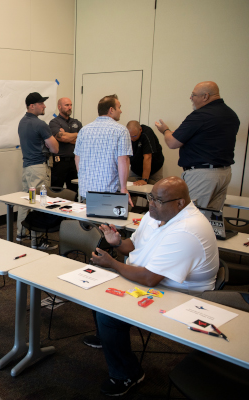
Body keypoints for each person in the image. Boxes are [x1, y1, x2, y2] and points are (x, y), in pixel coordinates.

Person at [87, 177, 218, 396]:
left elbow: (149, 279)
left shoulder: (187, 229)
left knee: (109, 315)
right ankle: (108, 338)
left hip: (184, 293)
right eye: (151, 197)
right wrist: (117, 242)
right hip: (153, 278)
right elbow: (134, 246)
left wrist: (112, 263)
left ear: (180, 203)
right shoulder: (156, 215)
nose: (151, 204)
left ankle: (127, 374)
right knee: (98, 286)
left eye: (158, 200)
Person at [155, 81, 240, 210]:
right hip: (224, 172)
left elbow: (172, 142)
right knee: (212, 218)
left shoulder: (201, 115)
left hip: (203, 175)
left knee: (192, 215)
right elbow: (208, 138)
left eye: (193, 95)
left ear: (205, 96)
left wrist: (165, 131)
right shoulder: (231, 115)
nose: (191, 98)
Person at [16, 92, 59, 250]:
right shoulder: (40, 124)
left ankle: (20, 234)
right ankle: (37, 241)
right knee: (38, 204)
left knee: (26, 202)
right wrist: (48, 144)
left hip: (27, 168)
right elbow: (55, 148)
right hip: (39, 169)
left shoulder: (21, 122)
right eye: (41, 103)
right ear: (32, 106)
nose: (44, 106)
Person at [74, 94, 133, 205]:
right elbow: (123, 160)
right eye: (119, 107)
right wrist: (124, 188)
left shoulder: (84, 130)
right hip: (109, 191)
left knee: (88, 221)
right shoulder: (120, 130)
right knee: (107, 221)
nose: (121, 111)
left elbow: (78, 158)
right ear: (111, 110)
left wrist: (83, 178)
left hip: (86, 190)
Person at [49, 97, 82, 192]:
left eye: (70, 105)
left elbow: (82, 140)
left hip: (74, 162)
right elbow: (62, 137)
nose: (70, 107)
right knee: (56, 190)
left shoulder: (76, 122)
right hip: (60, 162)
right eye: (67, 105)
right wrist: (76, 135)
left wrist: (67, 136)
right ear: (59, 107)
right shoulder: (54, 122)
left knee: (74, 191)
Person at [127, 120, 164, 185]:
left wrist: (144, 179)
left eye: (134, 136)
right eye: (129, 136)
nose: (132, 139)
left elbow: (148, 157)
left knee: (156, 189)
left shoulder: (147, 133)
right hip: (135, 168)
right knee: (130, 186)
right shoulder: (125, 134)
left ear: (140, 129)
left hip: (154, 167)